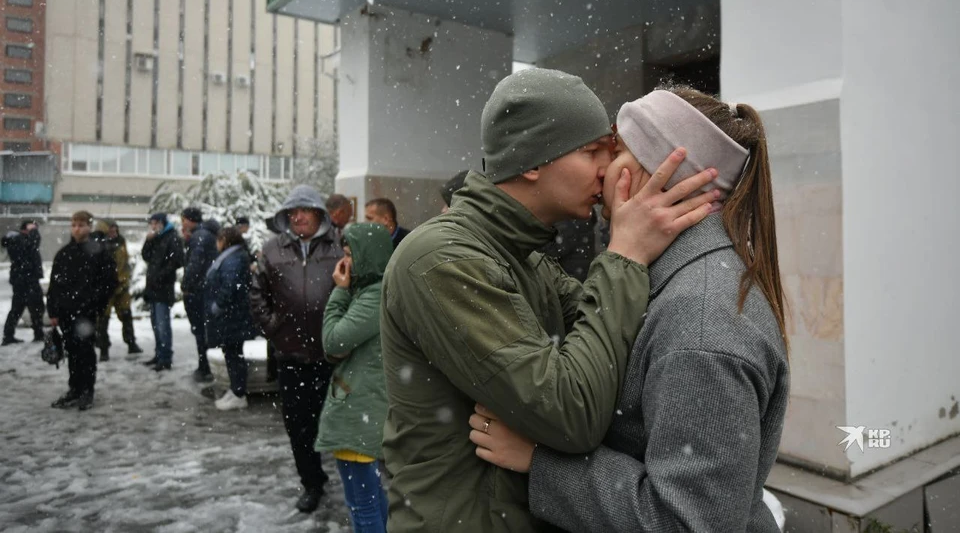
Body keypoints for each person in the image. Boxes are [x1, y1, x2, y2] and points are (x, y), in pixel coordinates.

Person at [380, 68, 720, 532]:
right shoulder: (441, 259)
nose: (606, 167)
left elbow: (613, 347)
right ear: (532, 162)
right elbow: (572, 412)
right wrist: (624, 253)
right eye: (591, 151)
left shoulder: (522, 254)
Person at [468, 88, 791, 532]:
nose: (600, 170)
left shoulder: (700, 321)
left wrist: (543, 463)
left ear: (658, 171)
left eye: (615, 149)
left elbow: (692, 523)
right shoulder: (668, 280)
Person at [251, 185, 342, 513]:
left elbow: (355, 290)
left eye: (305, 210)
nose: (298, 217)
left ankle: (350, 477)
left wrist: (342, 332)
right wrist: (273, 326)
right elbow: (256, 293)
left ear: (319, 213)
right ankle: (312, 482)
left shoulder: (339, 246)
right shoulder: (272, 249)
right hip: (290, 355)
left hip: (332, 354)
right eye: (292, 212)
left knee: (337, 421)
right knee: (298, 424)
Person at [315, 223, 393, 533]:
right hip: (359, 409)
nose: (343, 263)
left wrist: (339, 290)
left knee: (363, 505)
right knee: (370, 497)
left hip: (359, 413)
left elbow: (333, 341)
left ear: (368, 257)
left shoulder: (373, 297)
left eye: (350, 255)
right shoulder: (373, 291)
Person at [47, 211, 117, 411]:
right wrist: (53, 311)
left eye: (81, 224)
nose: (77, 228)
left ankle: (87, 390)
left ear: (89, 226)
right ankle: (75, 388)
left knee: (85, 351)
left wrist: (95, 304)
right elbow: (55, 285)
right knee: (71, 351)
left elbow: (109, 282)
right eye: (74, 225)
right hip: (66, 313)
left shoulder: (99, 253)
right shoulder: (64, 254)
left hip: (86, 314)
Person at [204, 226, 258, 411]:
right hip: (233, 314)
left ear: (225, 241)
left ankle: (238, 393)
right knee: (232, 353)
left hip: (233, 315)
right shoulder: (235, 256)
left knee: (234, 354)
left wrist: (217, 305)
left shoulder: (233, 258)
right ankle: (236, 390)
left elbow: (231, 286)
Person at [181, 207, 221, 383]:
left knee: (200, 330)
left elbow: (195, 264)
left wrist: (186, 285)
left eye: (183, 220)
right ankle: (207, 366)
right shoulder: (206, 234)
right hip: (207, 288)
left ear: (190, 220)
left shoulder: (200, 236)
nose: (182, 223)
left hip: (198, 290)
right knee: (206, 329)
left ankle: (204, 368)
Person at [141, 213, 184, 372]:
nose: (153, 226)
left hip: (163, 287)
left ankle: (165, 357)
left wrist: (161, 275)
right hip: (153, 287)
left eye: (155, 223)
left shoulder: (171, 237)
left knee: (162, 324)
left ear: (162, 223)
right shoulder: (157, 238)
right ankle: (159, 354)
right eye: (151, 223)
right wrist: (148, 241)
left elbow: (177, 260)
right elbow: (146, 256)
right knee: (155, 324)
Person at [94, 220, 142, 360]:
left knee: (126, 316)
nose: (113, 232)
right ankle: (104, 349)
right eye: (110, 229)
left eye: (115, 229)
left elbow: (125, 263)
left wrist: (124, 280)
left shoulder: (121, 242)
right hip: (105, 290)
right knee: (103, 320)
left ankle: (131, 343)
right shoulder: (98, 245)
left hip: (122, 287)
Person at [2, 220, 45, 344]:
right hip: (26, 279)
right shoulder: (18, 240)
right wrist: (33, 231)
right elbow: (33, 243)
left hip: (24, 279)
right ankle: (36, 333)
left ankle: (11, 335)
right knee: (33, 307)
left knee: (22, 308)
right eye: (32, 228)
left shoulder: (19, 239)